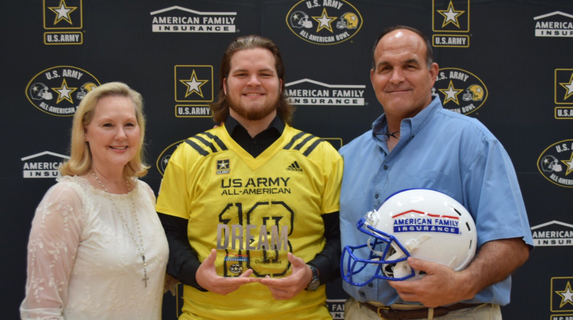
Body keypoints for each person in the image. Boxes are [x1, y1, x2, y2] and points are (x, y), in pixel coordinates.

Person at [339, 25, 533, 319]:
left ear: (432, 74)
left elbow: (512, 243)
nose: (396, 78)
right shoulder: (348, 155)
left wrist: (464, 283)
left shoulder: (472, 142)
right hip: (362, 313)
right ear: (373, 78)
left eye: (409, 66)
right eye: (385, 68)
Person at [156, 35, 343, 320]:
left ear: (280, 85)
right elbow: (166, 236)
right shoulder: (189, 155)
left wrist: (313, 273)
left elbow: (341, 237)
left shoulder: (320, 155)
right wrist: (196, 275)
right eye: (241, 74)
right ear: (225, 84)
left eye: (265, 74)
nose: (253, 82)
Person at [20, 82, 169, 319]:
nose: (121, 135)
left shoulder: (145, 194)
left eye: (129, 124)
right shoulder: (66, 198)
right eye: (108, 125)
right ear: (86, 131)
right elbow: (42, 308)